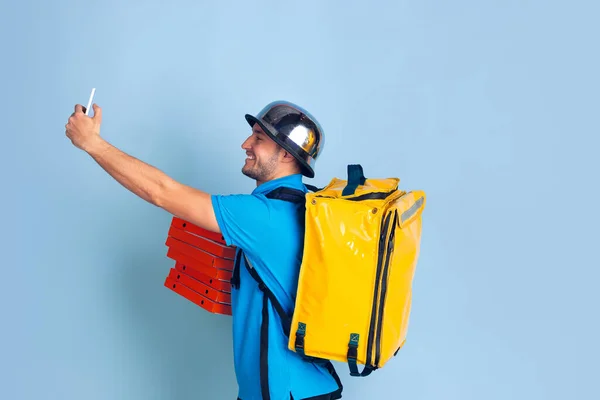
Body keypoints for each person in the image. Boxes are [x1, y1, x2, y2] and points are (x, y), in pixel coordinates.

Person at [65, 100, 343, 400]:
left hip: (283, 393)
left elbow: (161, 192)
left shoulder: (264, 215)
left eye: (259, 139)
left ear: (287, 154)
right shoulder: (305, 204)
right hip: (300, 386)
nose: (245, 143)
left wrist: (92, 143)